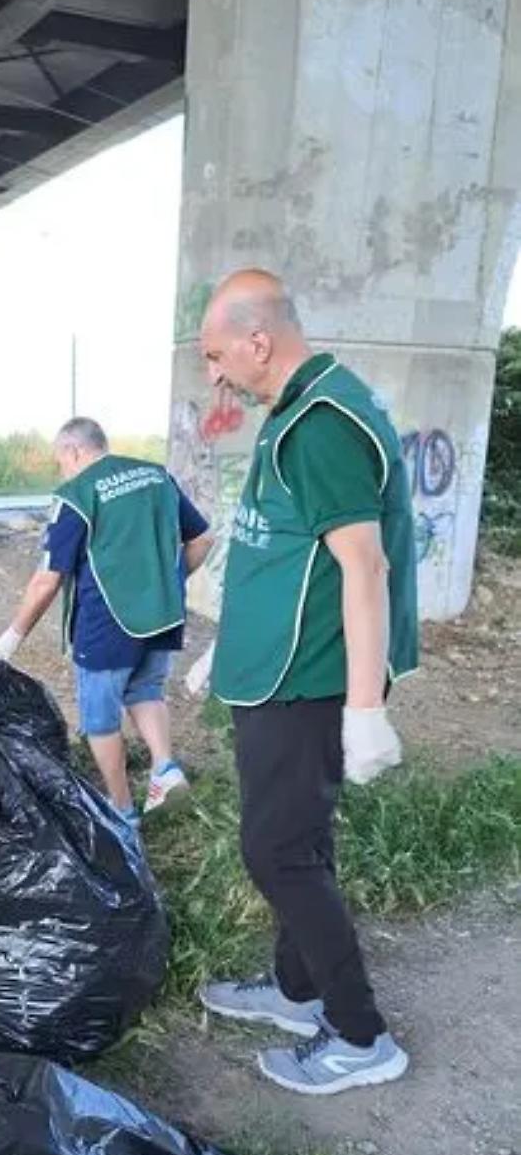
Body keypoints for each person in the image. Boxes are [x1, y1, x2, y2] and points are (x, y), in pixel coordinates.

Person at [194, 269, 418, 1095]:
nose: (213, 373)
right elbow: (285, 547)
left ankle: (362, 1036)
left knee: (277, 850)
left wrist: (364, 708)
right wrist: (231, 639)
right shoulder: (297, 406)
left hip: (307, 678)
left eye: (217, 354)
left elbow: (363, 566)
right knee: (298, 839)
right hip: (273, 666)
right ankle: (297, 992)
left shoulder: (321, 423)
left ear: (259, 340)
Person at [0, 417, 213, 823]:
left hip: (107, 625)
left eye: (60, 461)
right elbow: (202, 539)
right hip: (163, 617)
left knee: (99, 720)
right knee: (145, 688)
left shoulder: (77, 494)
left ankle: (122, 811)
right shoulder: (156, 476)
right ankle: (164, 768)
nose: (62, 470)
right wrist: (168, 585)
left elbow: (47, 580)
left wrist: (11, 638)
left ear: (74, 451)